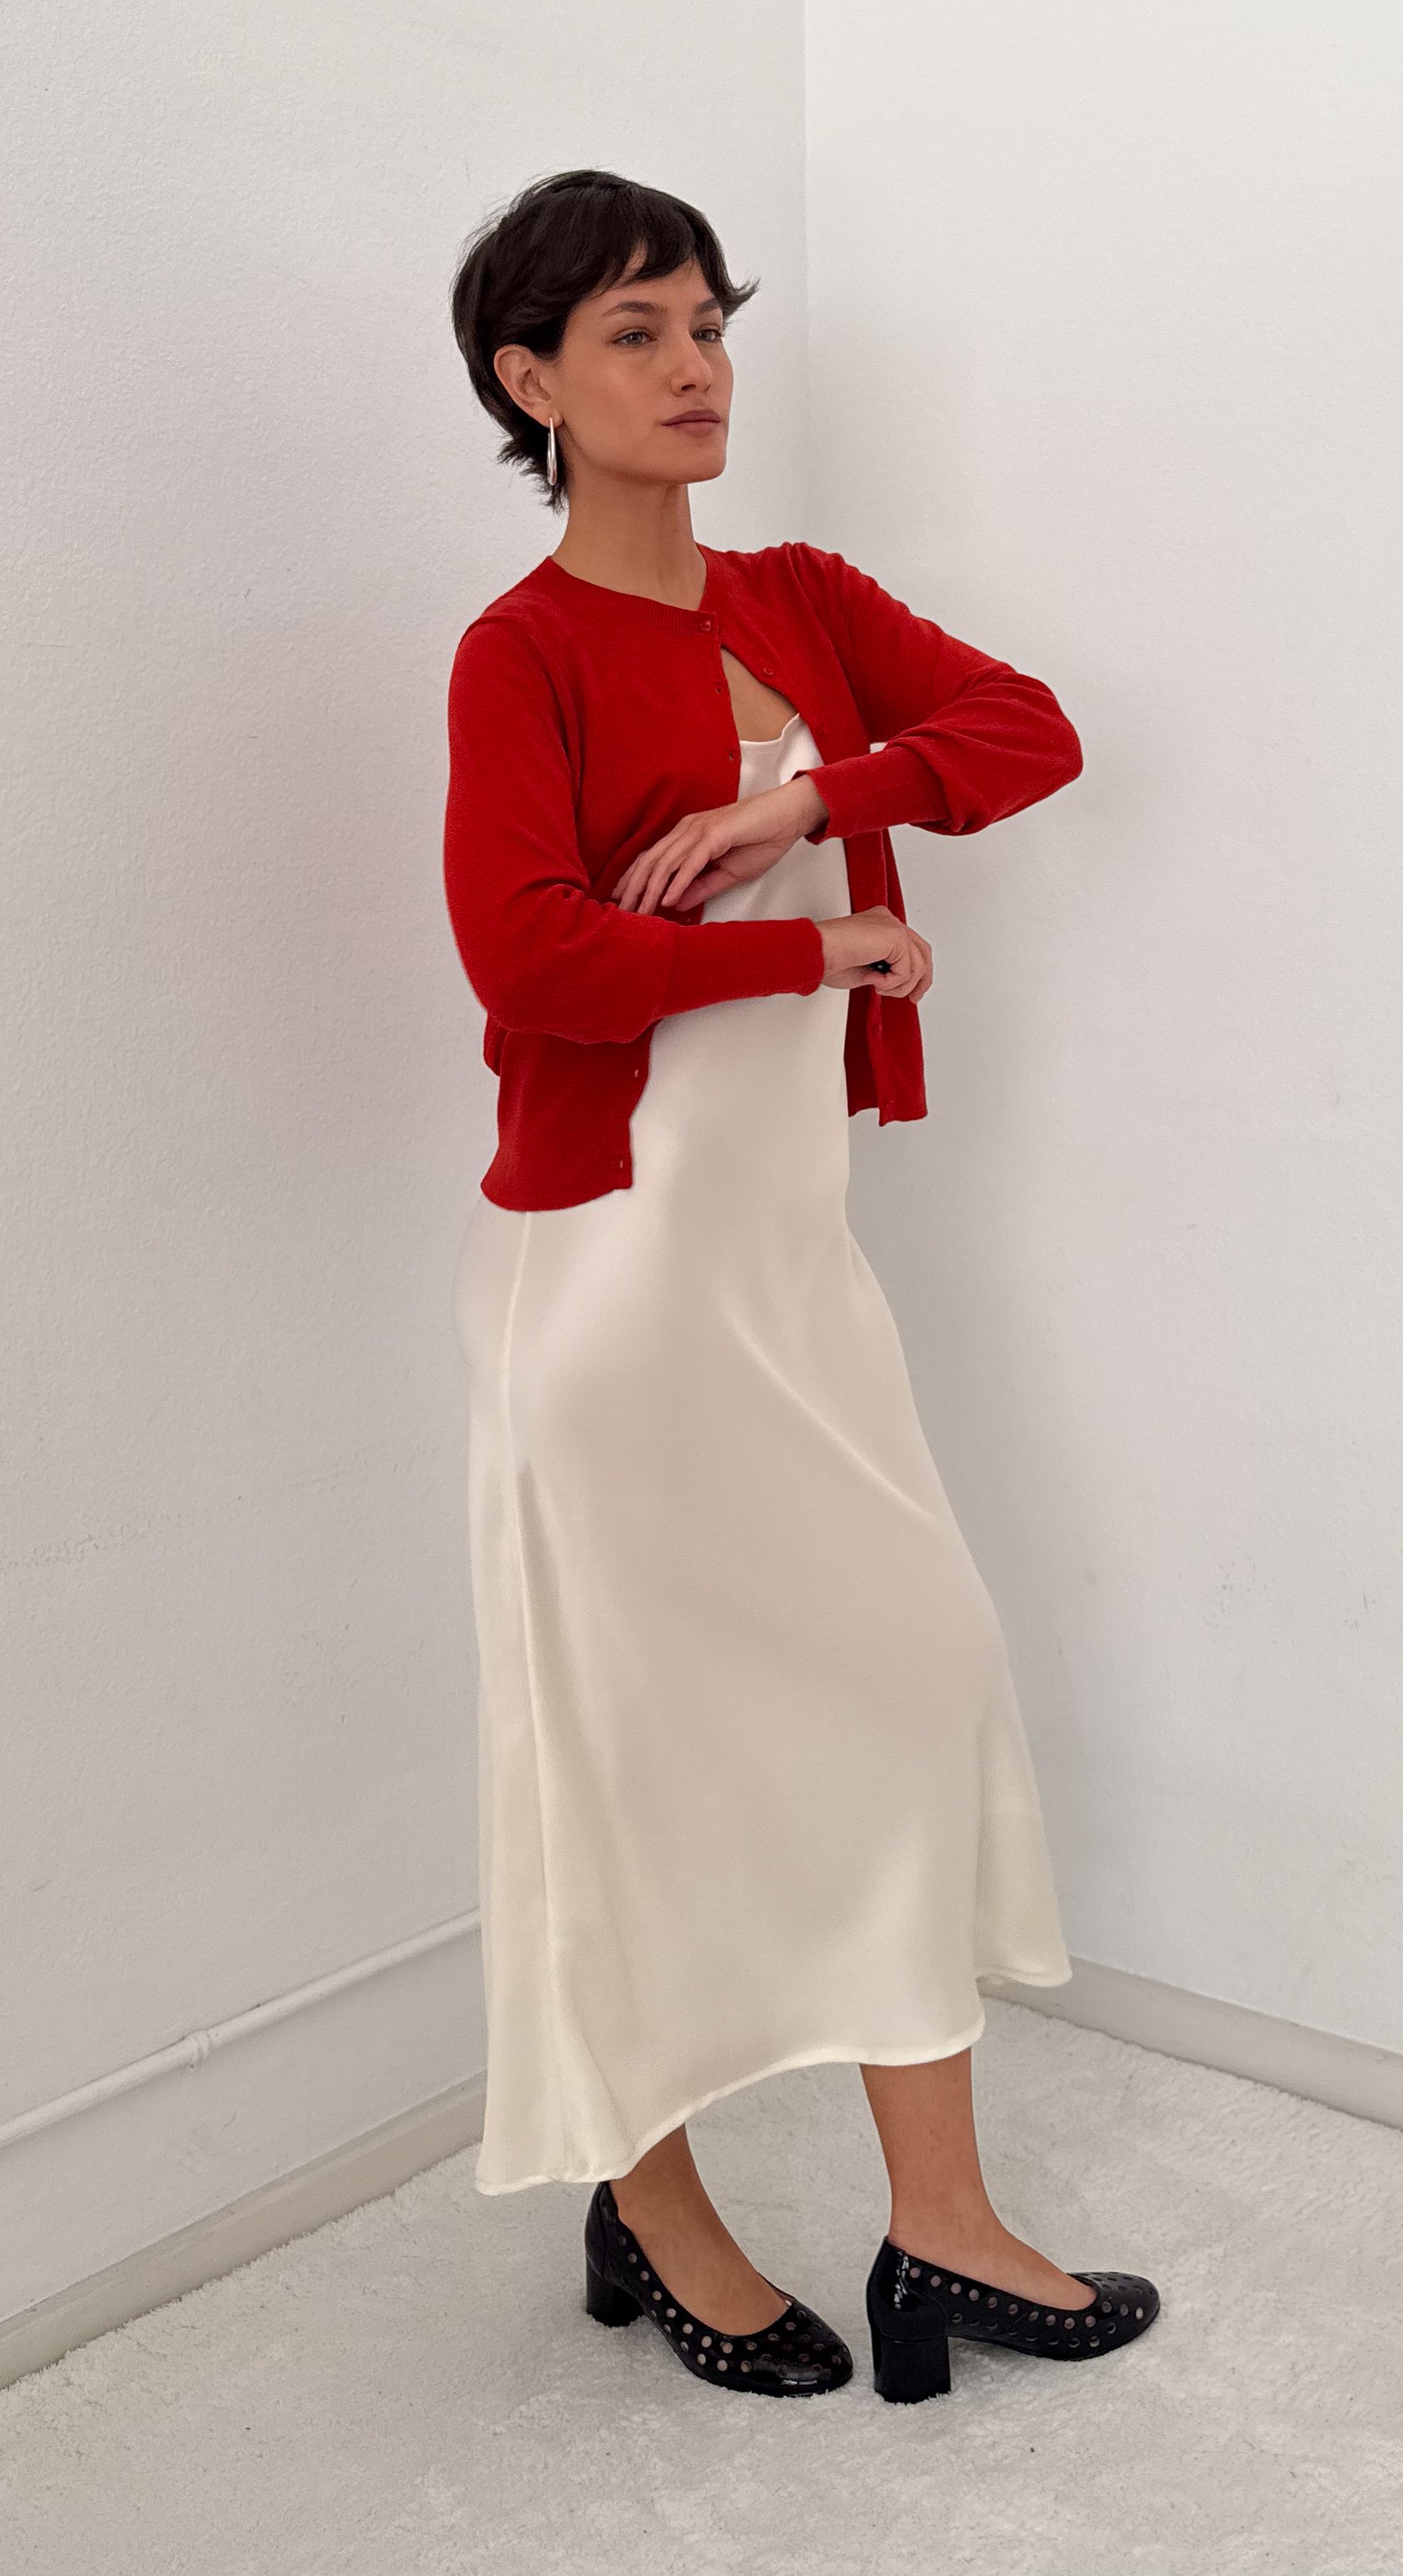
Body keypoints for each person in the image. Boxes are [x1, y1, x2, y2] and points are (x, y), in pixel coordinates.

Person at [442, 169, 1160, 2403]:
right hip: (612, 1274)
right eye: (635, 335)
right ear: (530, 383)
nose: (696, 369)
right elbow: (528, 956)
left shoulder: (803, 597)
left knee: (908, 1680)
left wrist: (804, 805)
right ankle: (651, 2202)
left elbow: (1026, 733)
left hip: (784, 1261)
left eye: (708, 325)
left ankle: (940, 2226)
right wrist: (817, 938)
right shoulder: (521, 650)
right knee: (624, 1747)